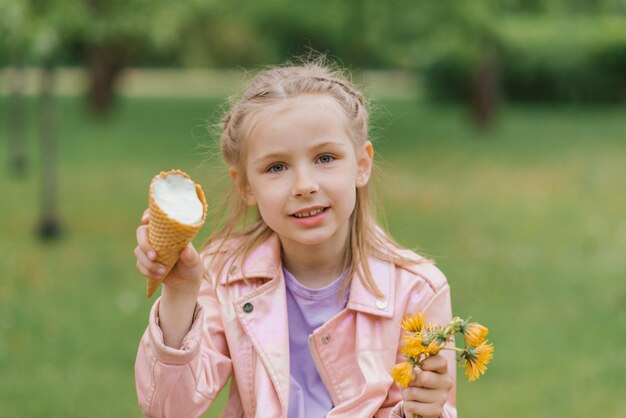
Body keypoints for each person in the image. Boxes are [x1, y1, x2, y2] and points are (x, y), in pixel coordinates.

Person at [134, 56, 457, 418]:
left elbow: (424, 407)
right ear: (245, 185)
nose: (304, 186)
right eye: (277, 167)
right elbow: (166, 409)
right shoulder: (223, 274)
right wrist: (179, 293)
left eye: (325, 158)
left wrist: (426, 410)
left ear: (361, 165)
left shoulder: (417, 290)